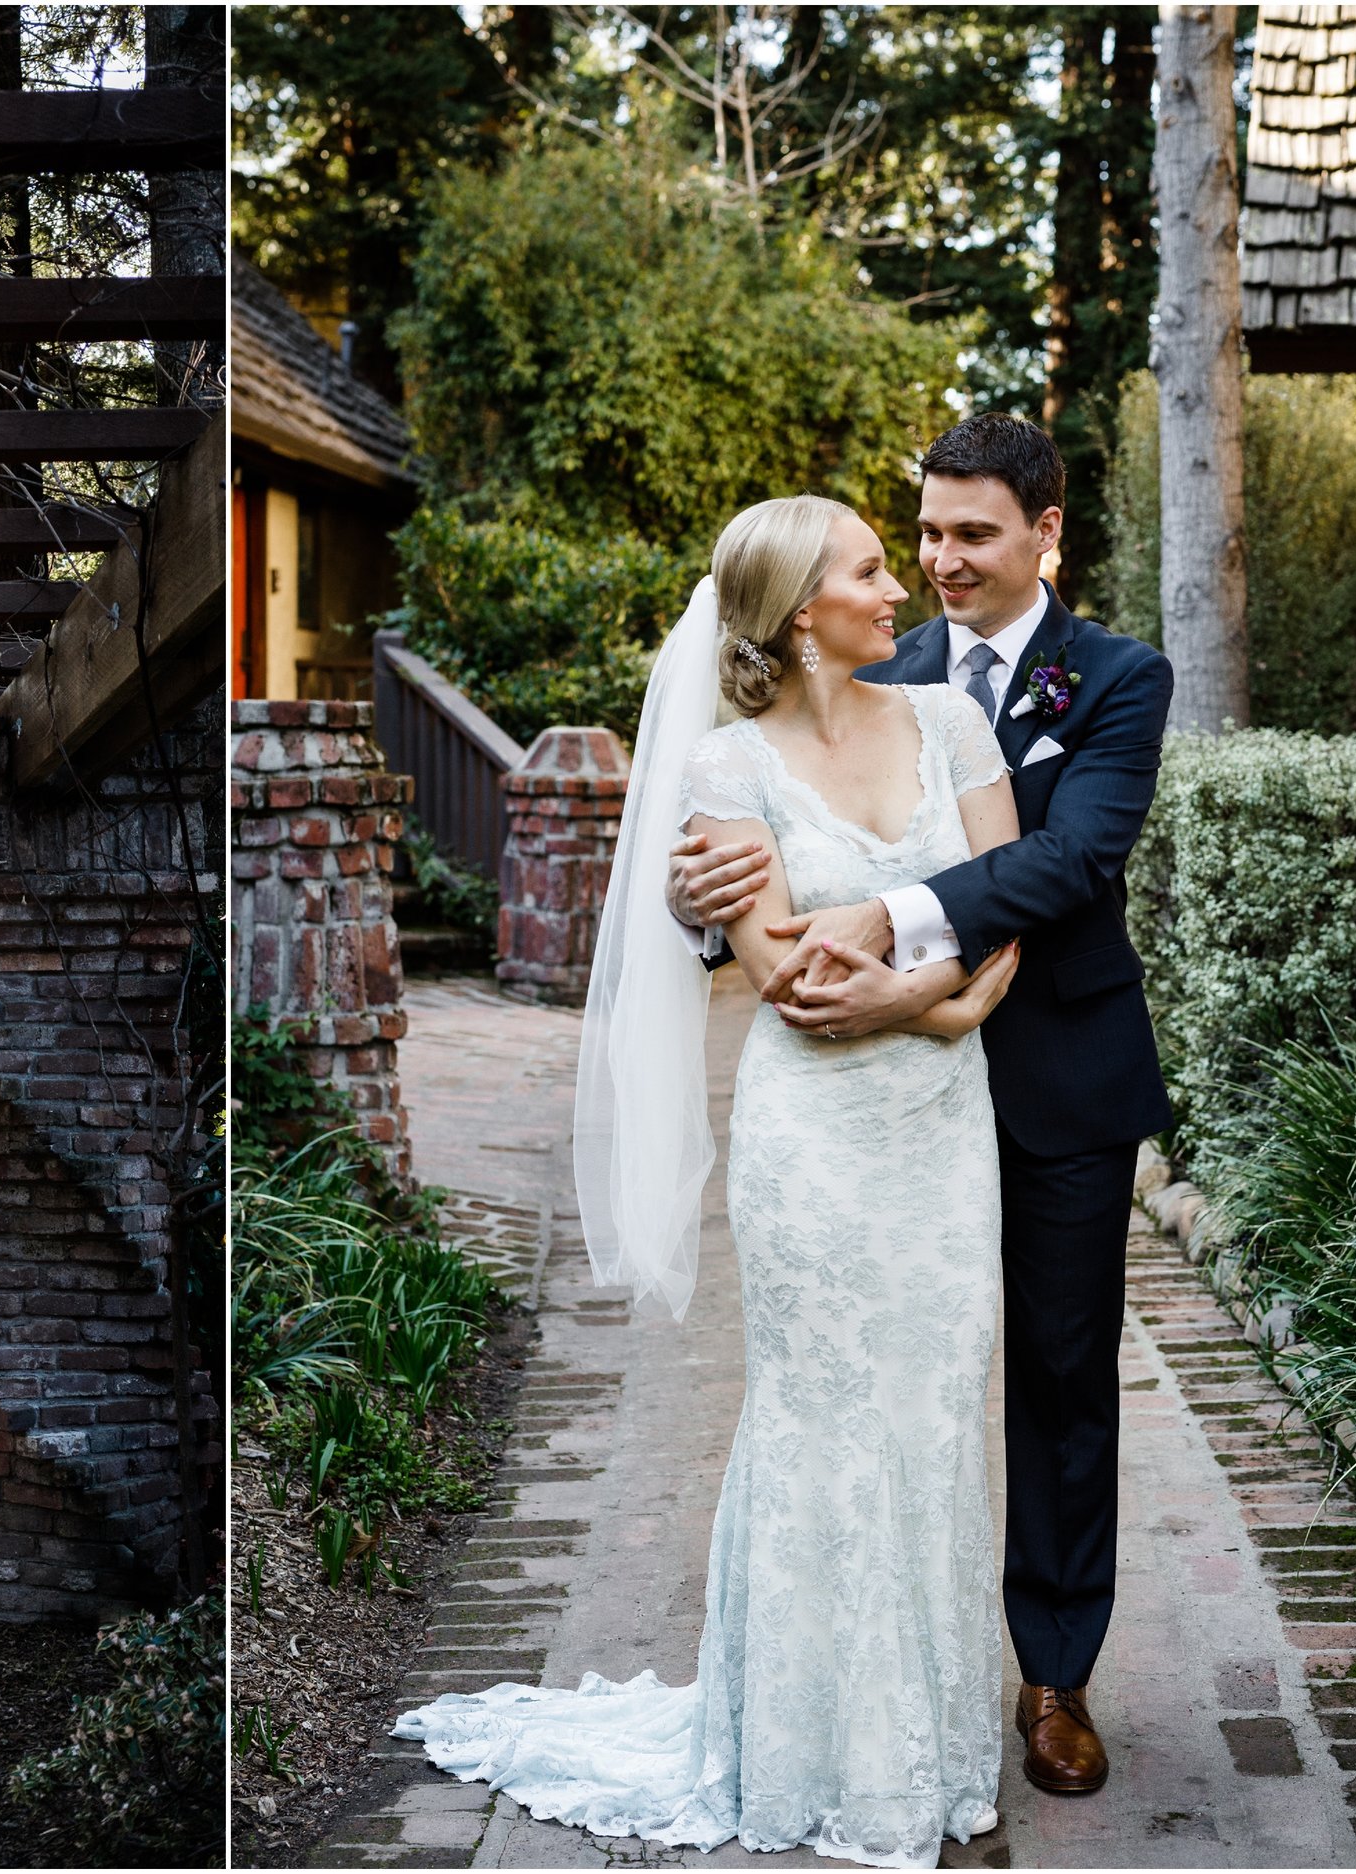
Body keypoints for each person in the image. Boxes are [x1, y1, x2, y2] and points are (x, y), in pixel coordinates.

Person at [395, 493, 1027, 1867]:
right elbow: (781, 980)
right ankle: (808, 1753)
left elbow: (1006, 918)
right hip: (816, 1142)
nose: (897, 582)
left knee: (935, 1416)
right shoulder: (726, 774)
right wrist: (939, 1004)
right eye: (868, 566)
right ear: (805, 611)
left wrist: (943, 1012)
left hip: (941, 1136)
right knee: (819, 1419)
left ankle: (930, 1752)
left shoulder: (954, 728)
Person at [672, 415, 1173, 1795]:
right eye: (926, 534)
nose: (939, 564)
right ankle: (866, 1685)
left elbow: (1070, 861)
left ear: (1045, 531)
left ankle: (1055, 1675)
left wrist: (892, 950)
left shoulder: (1119, 678)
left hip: (1055, 1072)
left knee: (1062, 1381)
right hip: (869, 1111)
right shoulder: (861, 667)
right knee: (882, 1392)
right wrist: (701, 903)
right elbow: (757, 862)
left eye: (972, 535)